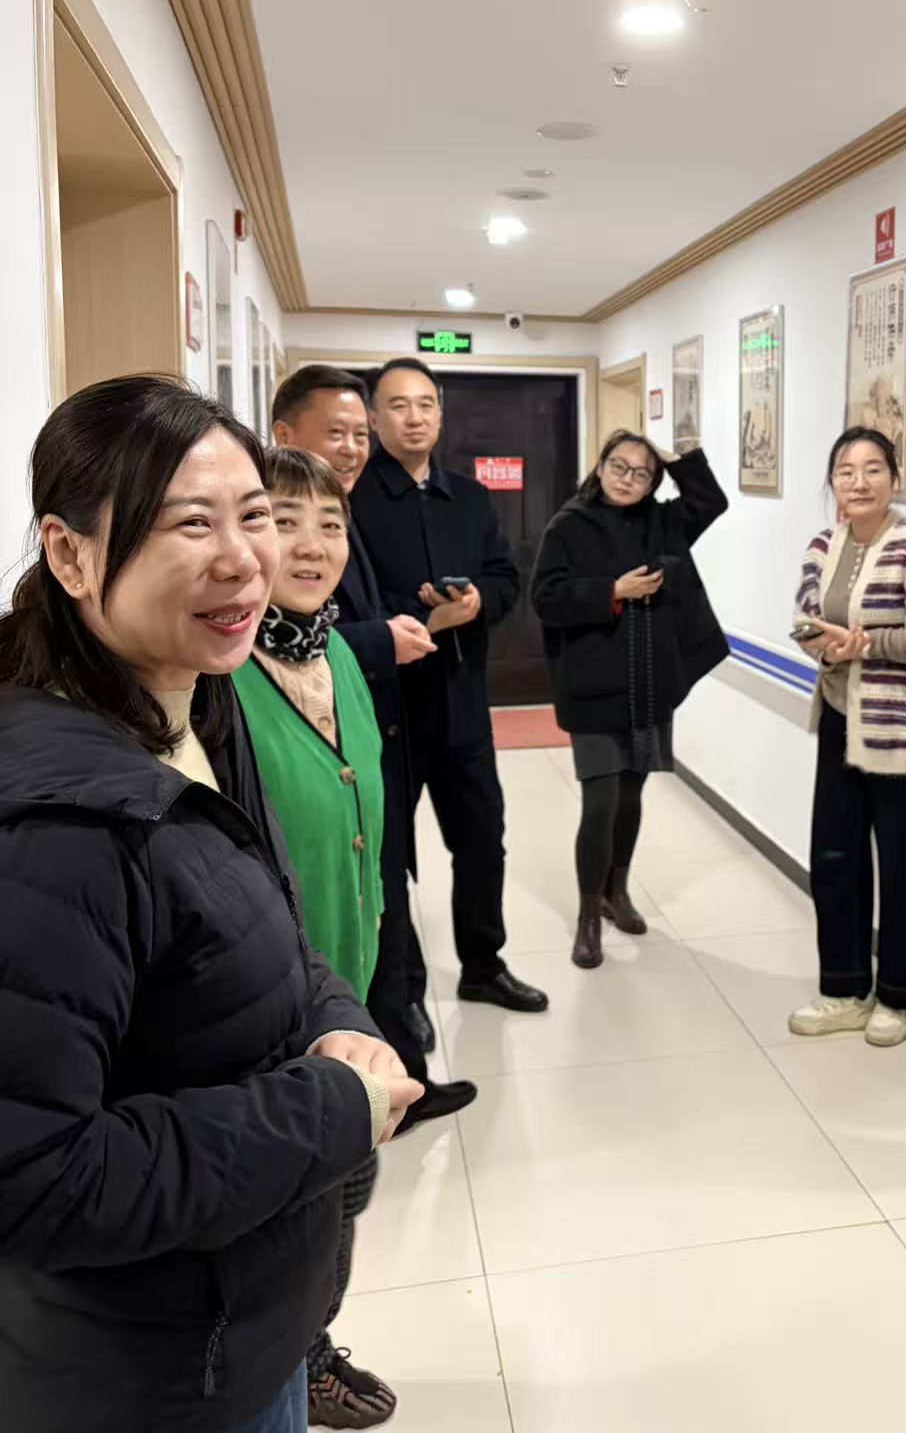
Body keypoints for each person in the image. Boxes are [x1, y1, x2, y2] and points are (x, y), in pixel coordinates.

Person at [0, 376, 423, 1433]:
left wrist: (339, 1021)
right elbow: (38, 1182)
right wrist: (330, 1111)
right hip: (150, 1377)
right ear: (69, 554)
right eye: (191, 523)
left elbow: (264, 923)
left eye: (253, 515)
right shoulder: (57, 829)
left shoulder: (200, 703)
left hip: (246, 1317)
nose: (244, 558)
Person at [272, 366, 473, 1107]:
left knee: (383, 906)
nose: (354, 446)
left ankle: (390, 1077)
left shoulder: (329, 636)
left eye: (360, 433)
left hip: (386, 743)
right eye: (339, 432)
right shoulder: (235, 666)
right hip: (301, 878)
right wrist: (383, 639)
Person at [351, 358, 547, 1012]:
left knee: (482, 840)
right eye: (398, 405)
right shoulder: (355, 500)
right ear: (375, 417)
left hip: (462, 703)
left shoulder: (468, 496)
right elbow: (352, 603)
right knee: (388, 858)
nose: (414, 417)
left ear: (440, 414)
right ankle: (401, 990)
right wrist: (421, 611)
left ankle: (483, 966)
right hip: (385, 711)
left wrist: (476, 602)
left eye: (426, 404)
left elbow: (505, 577)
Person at [788, 427, 906, 1045]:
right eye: (846, 471)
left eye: (872, 470)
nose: (858, 482)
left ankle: (898, 996)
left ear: (895, 479)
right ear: (832, 482)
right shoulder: (822, 544)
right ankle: (843, 990)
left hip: (904, 730)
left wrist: (865, 646)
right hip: (840, 721)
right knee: (834, 859)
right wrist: (825, 646)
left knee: (903, 867)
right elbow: (804, 619)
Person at [531, 431, 729, 968]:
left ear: (652, 483)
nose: (626, 479)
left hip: (648, 685)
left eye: (641, 473)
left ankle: (617, 892)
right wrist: (613, 592)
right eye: (618, 466)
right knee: (600, 801)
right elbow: (545, 598)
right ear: (599, 467)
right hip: (592, 687)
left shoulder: (660, 521)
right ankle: (588, 914)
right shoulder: (568, 525)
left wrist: (674, 458)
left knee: (632, 794)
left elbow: (711, 502)